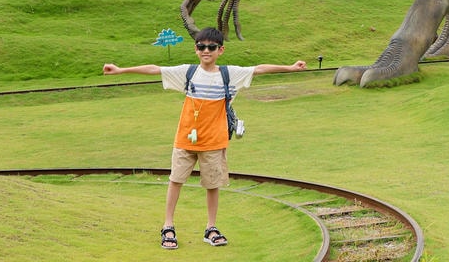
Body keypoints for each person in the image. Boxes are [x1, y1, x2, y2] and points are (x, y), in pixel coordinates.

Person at [103, 27, 306, 250]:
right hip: (185, 140)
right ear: (196, 49)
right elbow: (155, 69)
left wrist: (290, 67)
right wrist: (121, 70)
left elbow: (258, 68)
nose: (206, 51)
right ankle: (168, 226)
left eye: (211, 47)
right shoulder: (187, 72)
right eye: (201, 46)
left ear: (221, 50)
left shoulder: (229, 74)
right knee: (175, 180)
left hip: (214, 141)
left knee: (212, 185)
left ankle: (211, 227)